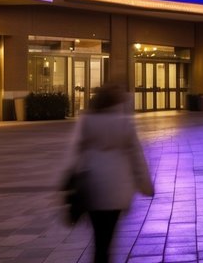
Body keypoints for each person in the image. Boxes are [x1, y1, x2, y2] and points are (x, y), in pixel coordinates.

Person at [63, 84, 153, 263]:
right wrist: (145, 184)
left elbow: (74, 151)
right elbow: (136, 155)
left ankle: (100, 257)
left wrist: (66, 177)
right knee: (108, 237)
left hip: (93, 185)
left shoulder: (87, 121)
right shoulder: (124, 123)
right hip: (117, 187)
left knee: (98, 238)